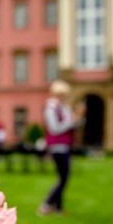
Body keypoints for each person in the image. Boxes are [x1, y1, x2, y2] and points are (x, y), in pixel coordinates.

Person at [39, 80, 84, 215]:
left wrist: (77, 119)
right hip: (57, 146)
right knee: (63, 177)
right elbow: (55, 128)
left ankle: (58, 207)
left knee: (62, 177)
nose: (64, 97)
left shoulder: (63, 107)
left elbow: (71, 124)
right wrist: (72, 121)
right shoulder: (51, 108)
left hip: (65, 145)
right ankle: (47, 204)